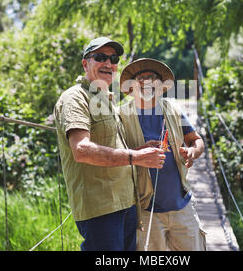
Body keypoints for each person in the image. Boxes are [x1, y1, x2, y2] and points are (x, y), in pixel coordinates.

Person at [53, 37, 166, 251]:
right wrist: (136, 157)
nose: (108, 63)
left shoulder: (106, 99)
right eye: (100, 57)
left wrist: (139, 151)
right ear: (85, 63)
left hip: (126, 202)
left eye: (113, 58)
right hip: (100, 209)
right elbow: (81, 150)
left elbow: (111, 145)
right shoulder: (74, 98)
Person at [119, 58, 207, 251]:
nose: (147, 82)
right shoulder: (120, 116)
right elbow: (115, 157)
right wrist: (138, 153)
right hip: (145, 210)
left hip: (182, 206)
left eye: (153, 78)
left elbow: (196, 140)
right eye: (140, 79)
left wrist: (192, 152)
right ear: (132, 86)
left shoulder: (173, 109)